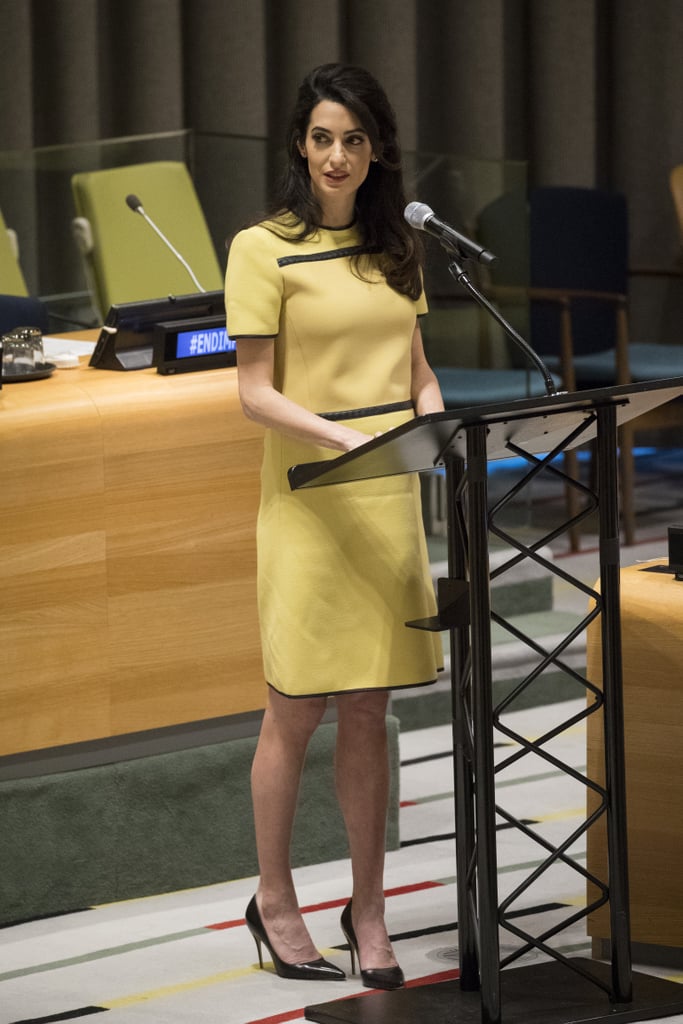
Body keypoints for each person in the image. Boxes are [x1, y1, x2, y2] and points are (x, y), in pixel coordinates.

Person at [225, 62, 445, 990]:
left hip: (389, 502)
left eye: (354, 139)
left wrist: (433, 429)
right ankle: (275, 903)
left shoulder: (399, 247)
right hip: (312, 501)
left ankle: (368, 911)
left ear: (377, 150)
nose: (338, 156)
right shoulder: (259, 248)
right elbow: (253, 393)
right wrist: (343, 436)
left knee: (370, 711)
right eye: (322, 137)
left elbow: (417, 372)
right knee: (297, 710)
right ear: (299, 147)